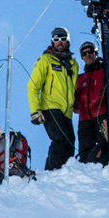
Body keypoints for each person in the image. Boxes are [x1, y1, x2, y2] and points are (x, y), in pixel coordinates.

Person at [28, 27, 79, 170]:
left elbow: (74, 87)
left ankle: (65, 173)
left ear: (68, 42)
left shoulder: (73, 64)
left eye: (63, 39)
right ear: (52, 42)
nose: (60, 42)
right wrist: (35, 111)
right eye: (56, 39)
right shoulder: (45, 59)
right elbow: (32, 86)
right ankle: (51, 171)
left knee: (70, 142)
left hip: (66, 111)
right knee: (59, 138)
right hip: (50, 107)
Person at [74, 41, 108, 165]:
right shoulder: (79, 79)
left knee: (104, 146)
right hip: (84, 120)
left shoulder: (104, 71)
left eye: (91, 52)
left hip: (102, 114)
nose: (88, 55)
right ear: (82, 57)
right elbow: (75, 107)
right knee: (84, 154)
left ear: (96, 53)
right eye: (84, 53)